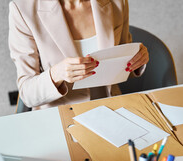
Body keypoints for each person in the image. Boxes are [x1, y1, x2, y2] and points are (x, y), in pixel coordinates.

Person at [8, 0, 149, 110]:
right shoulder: (22, 10)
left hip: (111, 107)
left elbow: (122, 63)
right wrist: (56, 74)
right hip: (59, 114)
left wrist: (137, 60)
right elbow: (27, 94)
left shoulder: (117, 2)